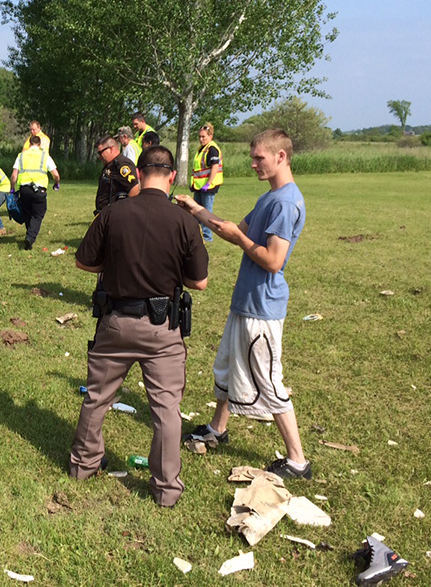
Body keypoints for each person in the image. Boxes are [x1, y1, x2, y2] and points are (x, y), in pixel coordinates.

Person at [70, 146, 209, 507]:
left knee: (97, 399)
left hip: (115, 322)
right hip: (162, 328)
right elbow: (200, 282)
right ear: (172, 176)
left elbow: (83, 262)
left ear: (140, 172)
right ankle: (165, 490)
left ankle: (82, 467)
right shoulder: (184, 221)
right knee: (165, 410)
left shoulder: (114, 213)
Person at [177, 129, 310, 480]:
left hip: (263, 307)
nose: (253, 164)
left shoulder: (285, 202)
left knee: (269, 381)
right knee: (227, 366)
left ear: (281, 157)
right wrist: (195, 211)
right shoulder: (270, 197)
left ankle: (298, 461)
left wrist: (239, 238)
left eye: (259, 158)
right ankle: (217, 429)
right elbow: (234, 229)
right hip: (245, 302)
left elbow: (273, 260)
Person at [11, 135, 60, 250]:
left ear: (29, 144)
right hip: (39, 190)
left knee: (28, 213)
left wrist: (12, 188)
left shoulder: (21, 156)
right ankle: (30, 237)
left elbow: (14, 175)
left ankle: (29, 234)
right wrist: (56, 183)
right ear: (39, 145)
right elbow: (56, 174)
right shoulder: (45, 156)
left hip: (24, 189)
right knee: (38, 215)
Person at [189, 122, 224, 242]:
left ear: (211, 136)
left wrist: (208, 183)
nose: (201, 139)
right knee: (196, 211)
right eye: (199, 136)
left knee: (206, 212)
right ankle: (196, 234)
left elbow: (215, 167)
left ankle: (208, 237)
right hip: (199, 186)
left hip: (208, 186)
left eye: (203, 137)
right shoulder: (201, 149)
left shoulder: (212, 149)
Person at [95, 135, 138, 215]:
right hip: (105, 214)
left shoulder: (122, 165)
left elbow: (135, 189)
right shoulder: (110, 165)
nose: (99, 156)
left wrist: (123, 212)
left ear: (111, 149)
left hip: (115, 216)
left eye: (101, 153)